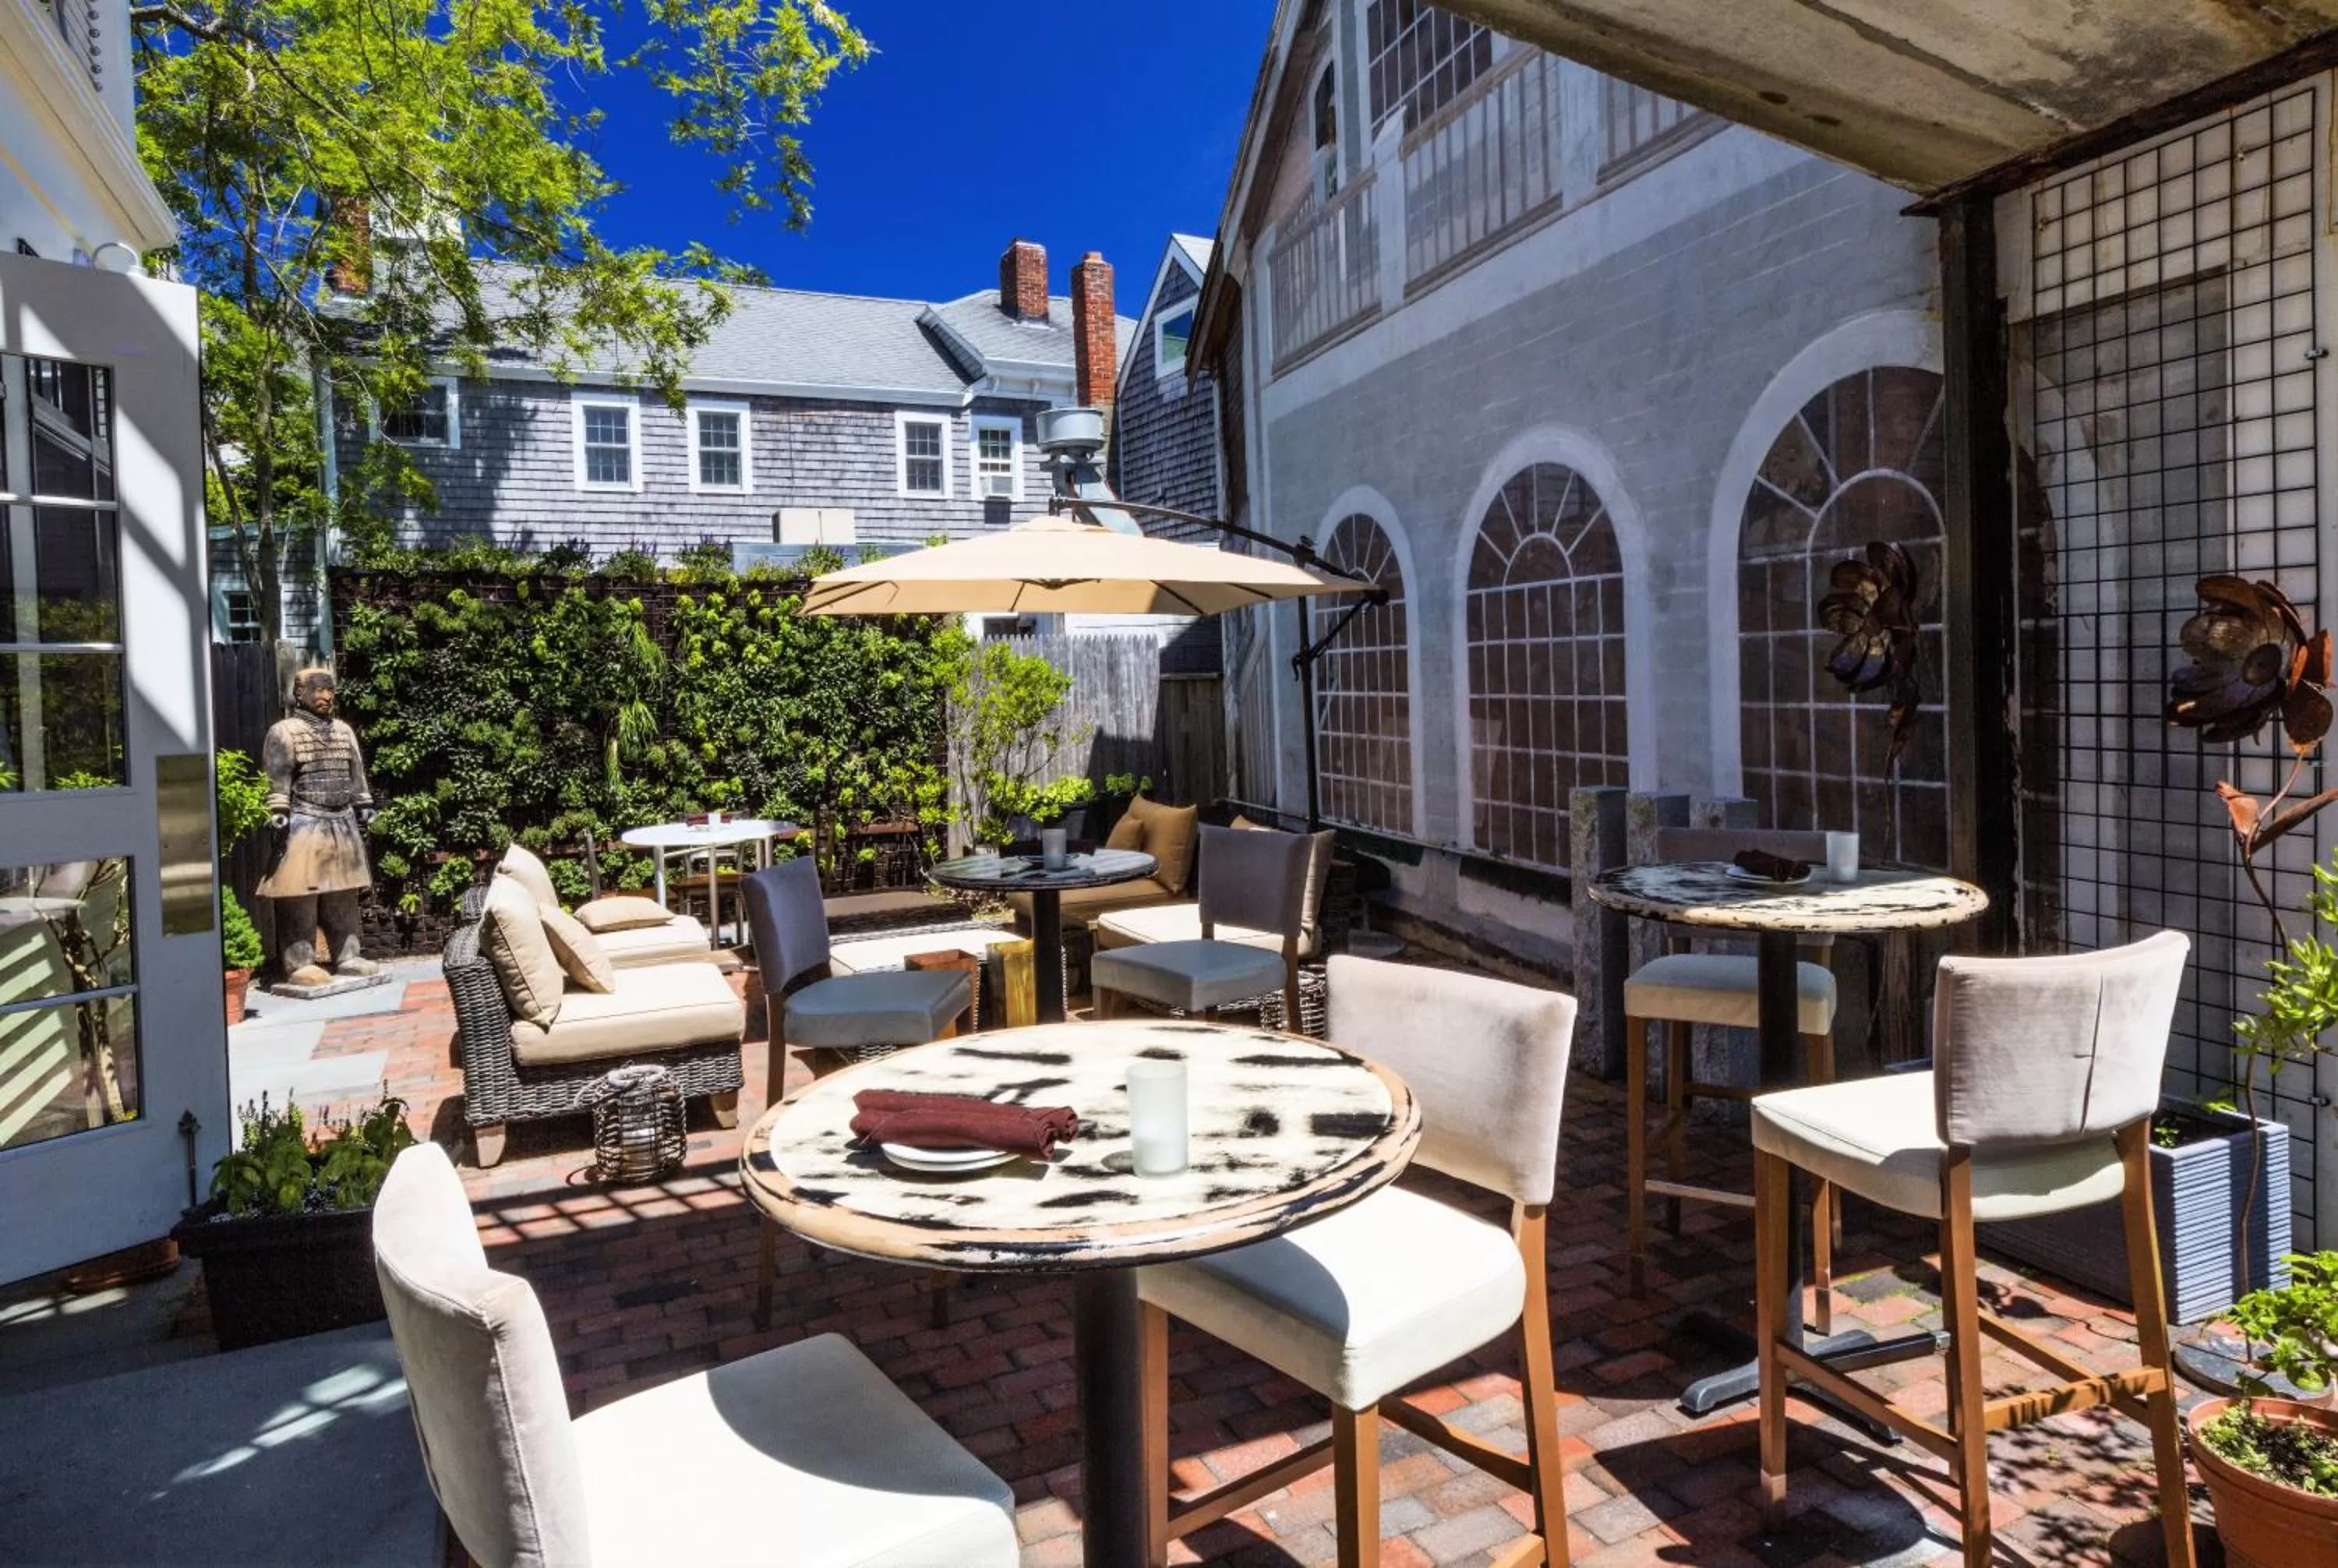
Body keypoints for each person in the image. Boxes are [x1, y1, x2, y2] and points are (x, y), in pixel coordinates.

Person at [256, 667, 380, 987]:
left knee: (344, 892)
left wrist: (364, 805)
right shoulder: (285, 731)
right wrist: (278, 809)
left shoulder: (343, 731)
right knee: (300, 893)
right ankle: (299, 963)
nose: (326, 696)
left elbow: (357, 774)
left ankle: (348, 955)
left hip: (342, 818)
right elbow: (277, 775)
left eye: (329, 690)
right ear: (300, 694)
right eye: (318, 690)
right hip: (304, 819)